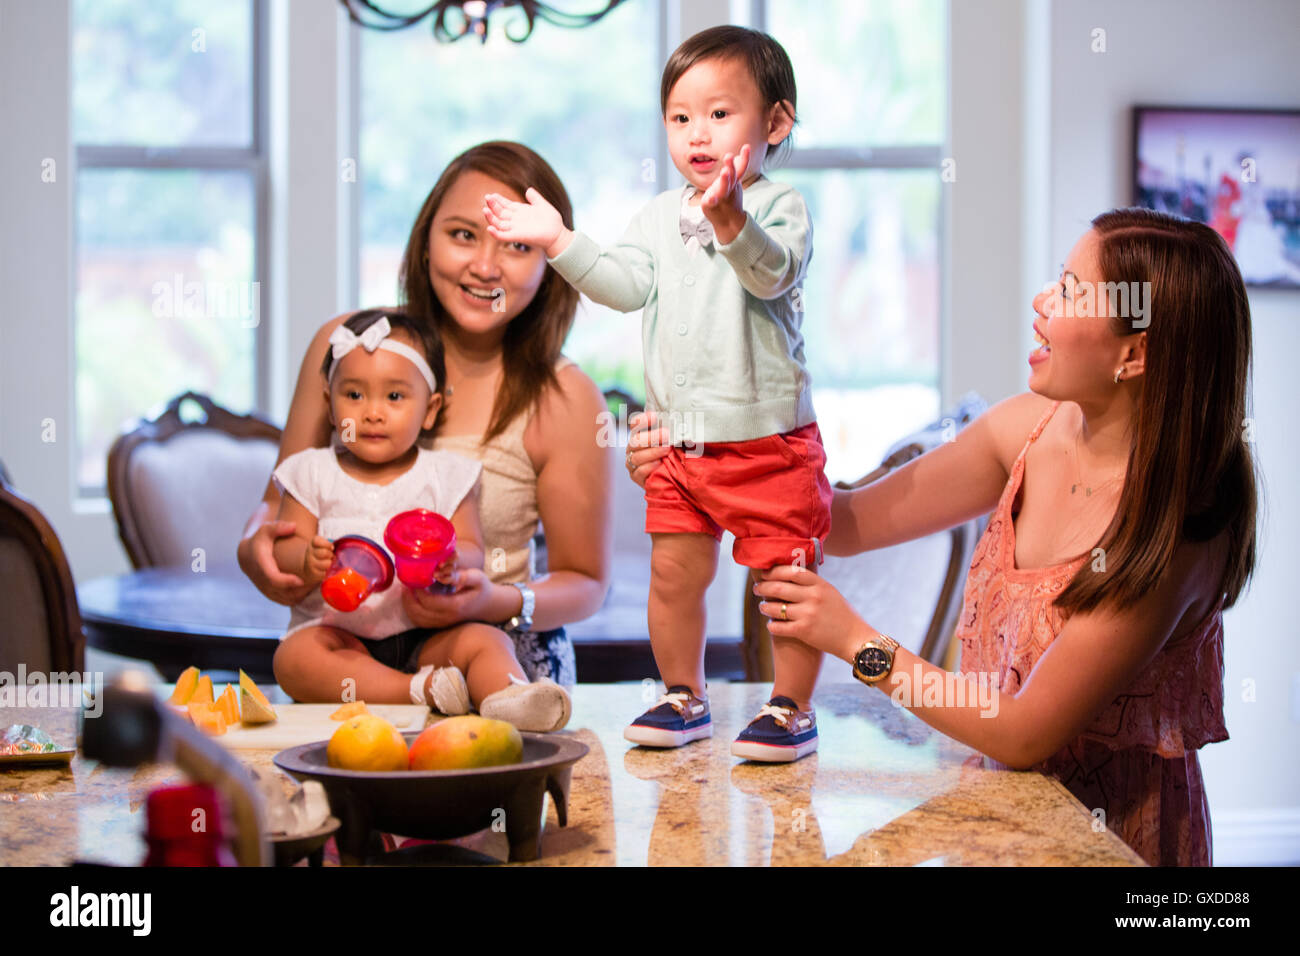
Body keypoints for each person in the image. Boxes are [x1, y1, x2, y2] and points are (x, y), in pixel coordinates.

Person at [736, 207, 1257, 866]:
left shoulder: (1169, 535)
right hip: (1000, 820)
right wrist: (717, 464)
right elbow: (847, 523)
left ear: (1135, 353)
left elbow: (1020, 733)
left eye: (1070, 290)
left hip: (1107, 842)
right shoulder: (1029, 428)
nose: (1042, 301)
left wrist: (857, 644)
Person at [484, 25, 831, 762]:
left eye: (718, 113)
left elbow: (773, 274)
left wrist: (730, 218)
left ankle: (791, 706)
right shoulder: (656, 217)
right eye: (679, 117)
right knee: (675, 574)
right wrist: (558, 241)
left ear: (774, 122)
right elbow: (623, 284)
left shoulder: (779, 206)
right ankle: (683, 694)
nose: (696, 133)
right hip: (679, 441)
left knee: (785, 583)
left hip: (767, 439)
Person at [238, 141, 612, 720]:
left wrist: (498, 599)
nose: (485, 266)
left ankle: (506, 701)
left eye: (517, 246)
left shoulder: (564, 398)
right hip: (350, 659)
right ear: (425, 238)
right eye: (463, 234)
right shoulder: (350, 348)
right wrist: (255, 546)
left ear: (550, 259)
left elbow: (586, 583)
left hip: (491, 652)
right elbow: (277, 504)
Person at [268, 308, 570, 732]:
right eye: (354, 395)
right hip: (340, 635)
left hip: (427, 632)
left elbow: (470, 548)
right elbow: (282, 544)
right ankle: (417, 691)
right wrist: (305, 557)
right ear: (330, 406)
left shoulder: (447, 476)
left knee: (487, 641)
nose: (372, 413)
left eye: (394, 397)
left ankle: (510, 697)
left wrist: (454, 561)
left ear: (429, 411)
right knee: (294, 659)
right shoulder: (310, 472)